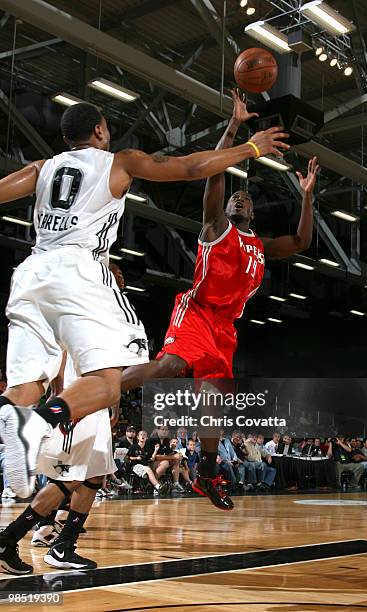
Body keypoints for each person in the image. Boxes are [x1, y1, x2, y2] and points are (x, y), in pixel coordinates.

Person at [0, 101, 284, 499]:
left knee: (25, 387)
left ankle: (17, 421)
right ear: (100, 131)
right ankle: (40, 423)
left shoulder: (41, 168)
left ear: (66, 138)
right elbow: (190, 167)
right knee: (107, 383)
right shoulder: (119, 161)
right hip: (78, 269)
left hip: (30, 272)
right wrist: (249, 148)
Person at [120, 90, 319, 510]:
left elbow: (301, 241)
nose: (239, 198)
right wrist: (233, 127)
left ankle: (208, 473)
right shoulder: (216, 227)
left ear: (254, 211)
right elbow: (215, 175)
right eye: (234, 198)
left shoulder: (260, 245)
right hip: (196, 312)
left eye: (245, 198)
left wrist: (306, 194)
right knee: (170, 367)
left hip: (224, 329)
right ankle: (99, 390)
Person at [0, 262, 149, 574]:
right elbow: (64, 349)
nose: (119, 274)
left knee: (94, 477)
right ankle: (8, 539)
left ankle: (64, 545)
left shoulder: (113, 308)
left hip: (99, 401)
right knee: (69, 479)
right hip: (79, 398)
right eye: (114, 269)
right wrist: (62, 395)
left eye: (122, 272)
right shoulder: (85, 301)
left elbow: (114, 366)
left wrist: (115, 404)